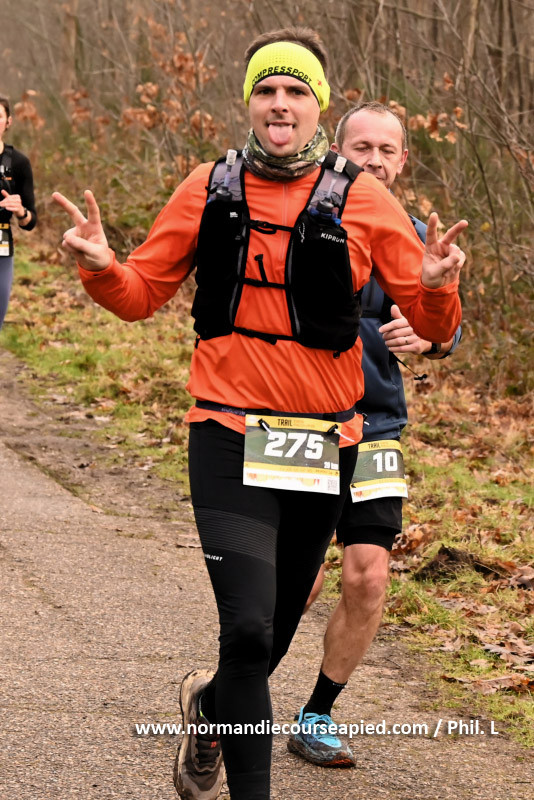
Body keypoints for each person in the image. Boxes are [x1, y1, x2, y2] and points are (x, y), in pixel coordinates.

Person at [53, 28, 466, 800]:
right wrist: (103, 268)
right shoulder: (209, 186)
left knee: (269, 631)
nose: (280, 103)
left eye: (296, 91)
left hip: (323, 443)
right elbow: (141, 295)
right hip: (226, 432)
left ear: (319, 106)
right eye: (267, 90)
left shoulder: (365, 198)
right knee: (244, 629)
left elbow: (432, 322)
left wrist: (439, 285)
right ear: (249, 101)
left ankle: (212, 708)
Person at [288, 102, 462, 768]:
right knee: (296, 581)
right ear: (338, 151)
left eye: (387, 150)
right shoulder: (303, 217)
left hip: (378, 423)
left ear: (403, 160)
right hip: (299, 421)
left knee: (367, 577)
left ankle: (317, 714)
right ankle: (231, 698)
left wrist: (430, 336)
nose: (375, 160)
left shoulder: (417, 237)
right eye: (361, 147)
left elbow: (447, 329)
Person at [0, 95, 37, 329]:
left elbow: (31, 221)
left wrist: (20, 211)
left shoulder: (18, 163)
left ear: (8, 122)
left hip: (1, 241)